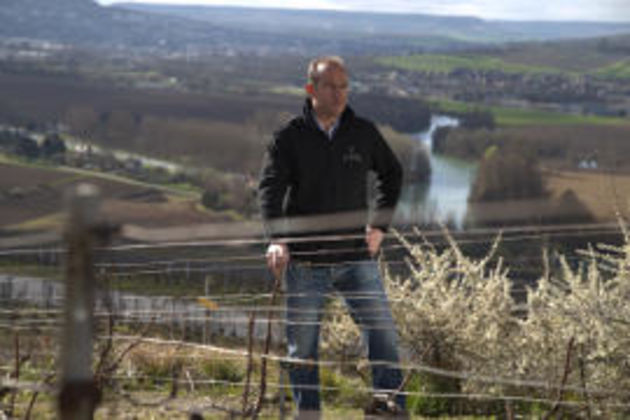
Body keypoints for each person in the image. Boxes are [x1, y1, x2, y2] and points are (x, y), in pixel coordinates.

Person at [258, 56, 405, 417]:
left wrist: (379, 227)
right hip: (306, 263)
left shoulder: (363, 132)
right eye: (330, 86)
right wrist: (278, 239)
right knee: (302, 350)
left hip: (356, 258)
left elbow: (392, 173)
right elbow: (270, 190)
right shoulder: (289, 137)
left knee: (383, 335)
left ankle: (389, 411)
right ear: (311, 89)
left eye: (344, 86)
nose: (339, 94)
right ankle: (309, 416)